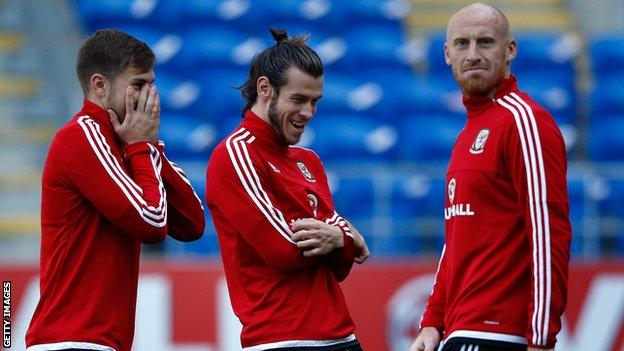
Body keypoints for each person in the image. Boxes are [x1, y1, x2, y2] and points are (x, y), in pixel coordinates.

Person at [26, 29, 206, 351]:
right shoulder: (81, 137)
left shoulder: (127, 143)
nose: (150, 97)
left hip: (100, 342)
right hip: (71, 340)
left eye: (152, 84)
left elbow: (193, 224)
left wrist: (147, 147)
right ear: (100, 85)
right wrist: (141, 147)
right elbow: (152, 224)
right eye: (138, 85)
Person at [410, 3, 572, 351]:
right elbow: (454, 243)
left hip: (504, 336)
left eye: (485, 42)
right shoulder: (468, 132)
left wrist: (541, 338)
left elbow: (549, 236)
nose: (473, 54)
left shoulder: (525, 122)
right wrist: (433, 322)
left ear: (509, 49)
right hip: (458, 332)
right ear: (446, 54)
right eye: (462, 44)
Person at [205, 28, 370, 351]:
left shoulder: (308, 160)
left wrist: (340, 238)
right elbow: (285, 249)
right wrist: (345, 235)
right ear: (265, 89)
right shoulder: (235, 155)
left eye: (314, 101)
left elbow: (339, 266)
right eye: (297, 99)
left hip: (343, 337)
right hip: (280, 340)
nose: (308, 113)